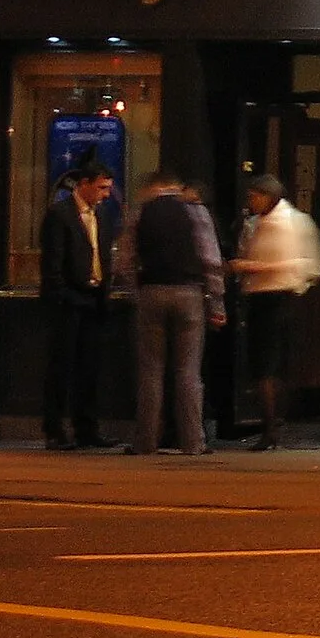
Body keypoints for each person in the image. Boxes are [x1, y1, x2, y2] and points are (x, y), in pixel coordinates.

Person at [114, 173, 225, 457]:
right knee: (188, 372)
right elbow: (210, 261)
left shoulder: (140, 212)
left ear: (154, 188)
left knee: (151, 371)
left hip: (151, 292)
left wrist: (134, 292)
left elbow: (125, 260)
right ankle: (193, 442)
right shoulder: (196, 212)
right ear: (177, 187)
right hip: (189, 295)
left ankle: (145, 441)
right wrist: (216, 305)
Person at [228, 174, 320, 451]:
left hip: (272, 299)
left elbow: (291, 263)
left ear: (267, 196)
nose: (250, 201)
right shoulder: (286, 220)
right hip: (284, 299)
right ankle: (274, 426)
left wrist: (246, 266)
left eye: (253, 196)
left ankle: (270, 429)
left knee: (265, 367)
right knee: (275, 366)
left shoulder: (283, 224)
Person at [39, 167, 119, 450]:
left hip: (95, 298)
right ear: (83, 184)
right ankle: (55, 430)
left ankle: (87, 428)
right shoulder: (60, 215)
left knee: (90, 367)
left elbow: (103, 252)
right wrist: (62, 293)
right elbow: (53, 262)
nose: (106, 194)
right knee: (62, 367)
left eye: (108, 188)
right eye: (101, 188)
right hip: (69, 299)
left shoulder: (103, 216)